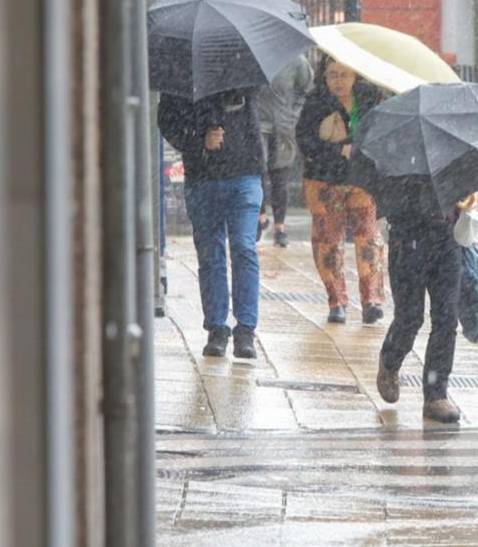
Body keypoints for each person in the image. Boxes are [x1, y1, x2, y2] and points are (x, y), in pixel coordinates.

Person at [158, 88, 266, 359]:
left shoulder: (243, 77)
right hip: (203, 178)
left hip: (244, 175)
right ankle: (217, 328)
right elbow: (168, 124)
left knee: (243, 247)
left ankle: (246, 329)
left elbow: (254, 128)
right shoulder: (182, 83)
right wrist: (199, 140)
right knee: (210, 254)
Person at [295, 58, 386, 325]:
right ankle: (337, 301)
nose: (338, 81)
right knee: (328, 241)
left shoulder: (371, 97)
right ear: (324, 76)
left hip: (361, 178)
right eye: (332, 75)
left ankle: (371, 300)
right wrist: (338, 150)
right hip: (324, 181)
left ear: (356, 75)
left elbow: (382, 133)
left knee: (368, 236)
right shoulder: (315, 101)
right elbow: (305, 142)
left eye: (344, 75)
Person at [374, 184, 469, 424]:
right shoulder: (398, 154)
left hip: (447, 238)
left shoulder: (449, 150)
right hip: (407, 240)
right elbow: (385, 198)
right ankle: (390, 360)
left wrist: (465, 198)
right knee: (410, 317)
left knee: (447, 319)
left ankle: (436, 395)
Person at [255, 55, 314, 248]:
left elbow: (307, 90)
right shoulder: (255, 55)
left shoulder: (296, 61)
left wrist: (294, 113)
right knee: (258, 171)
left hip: (284, 126)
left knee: (280, 176)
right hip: (258, 124)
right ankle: (261, 217)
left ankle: (280, 227)